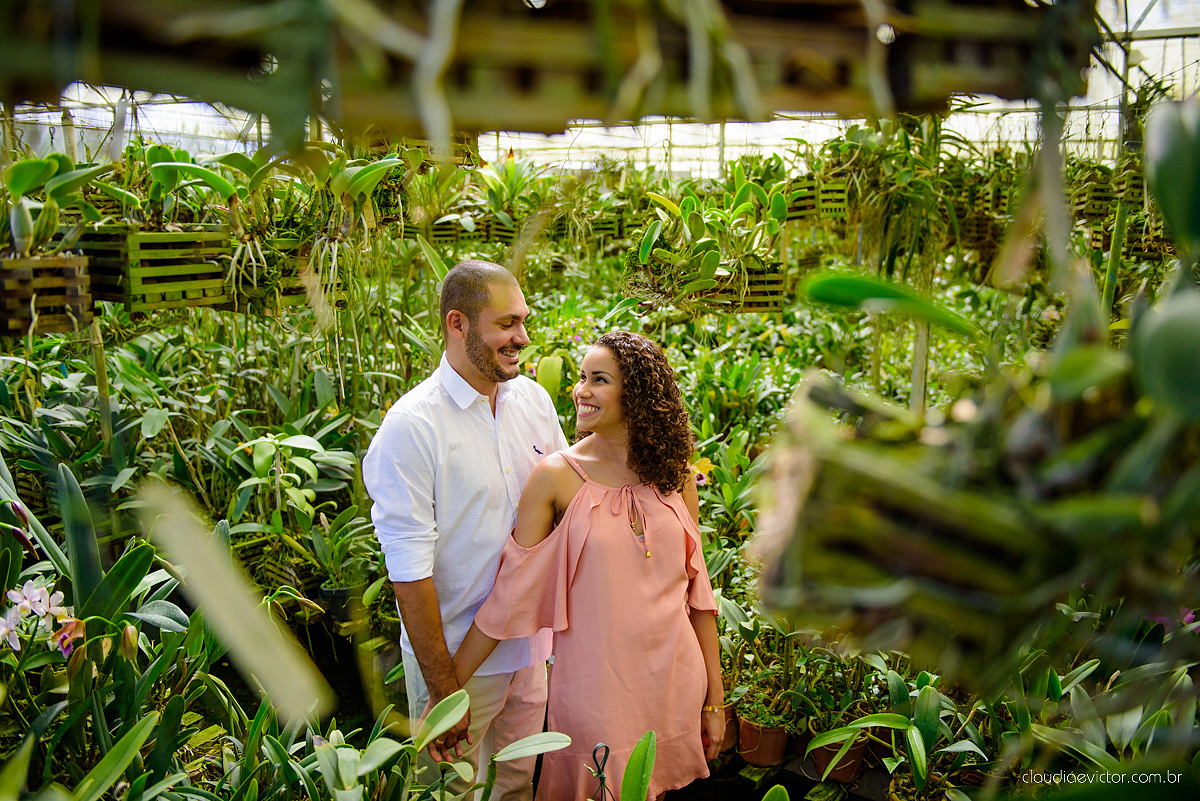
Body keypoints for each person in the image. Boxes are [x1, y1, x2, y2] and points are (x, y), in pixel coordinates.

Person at [451, 330, 725, 801]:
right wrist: (447, 688)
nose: (581, 390)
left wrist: (715, 700)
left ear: (636, 395)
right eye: (582, 377)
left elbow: (698, 596)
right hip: (595, 688)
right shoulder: (557, 477)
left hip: (675, 677)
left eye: (599, 380)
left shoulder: (676, 474)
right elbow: (509, 596)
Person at [362, 260, 569, 801]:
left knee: (516, 786)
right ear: (457, 323)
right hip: (457, 662)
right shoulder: (412, 427)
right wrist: (445, 691)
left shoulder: (534, 402)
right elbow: (409, 573)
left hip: (531, 650)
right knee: (450, 793)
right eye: (506, 324)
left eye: (523, 321)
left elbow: (566, 509)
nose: (522, 337)